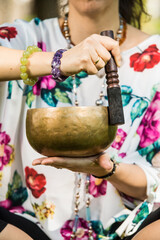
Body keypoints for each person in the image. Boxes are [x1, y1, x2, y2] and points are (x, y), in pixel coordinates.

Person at [0, 0, 160, 239]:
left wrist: (109, 170)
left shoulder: (155, 60)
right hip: (25, 229)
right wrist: (59, 60)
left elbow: (155, 180)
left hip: (131, 231)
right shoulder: (25, 37)